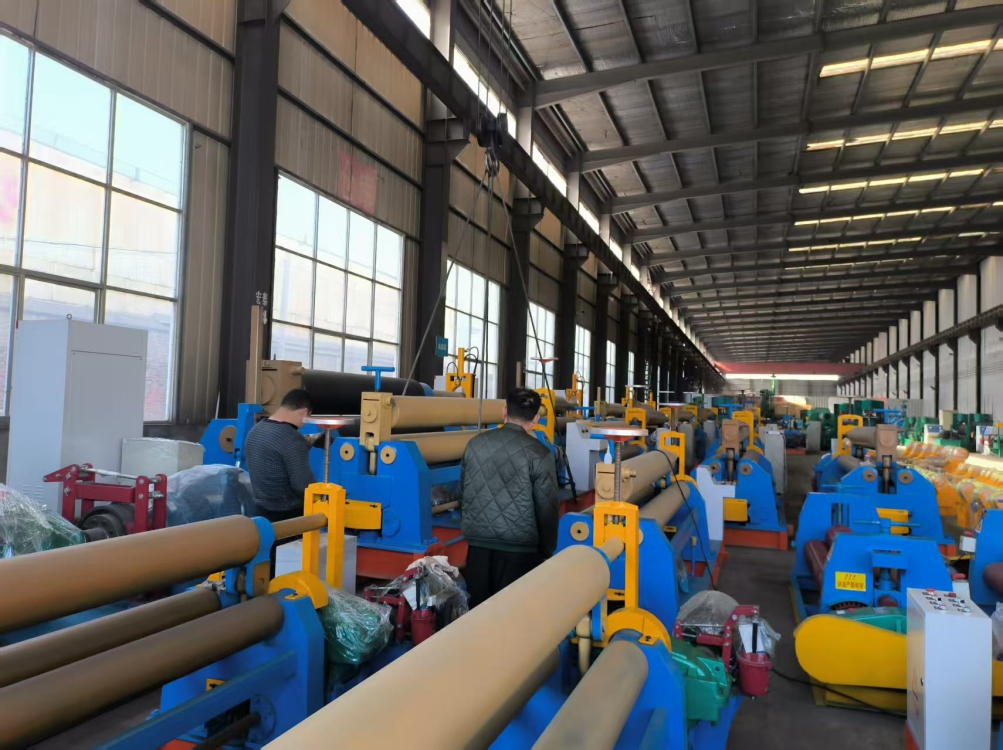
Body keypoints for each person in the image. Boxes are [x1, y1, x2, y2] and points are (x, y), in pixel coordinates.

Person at [459, 387, 559, 607]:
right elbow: (547, 508)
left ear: (504, 411)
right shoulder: (539, 453)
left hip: (478, 546)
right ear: (536, 418)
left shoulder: (475, 444)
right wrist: (546, 550)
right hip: (520, 551)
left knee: (478, 612)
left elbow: (463, 494)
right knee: (513, 611)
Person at [243, 388, 321, 523]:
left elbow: (276, 450)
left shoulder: (255, 431)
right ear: (304, 412)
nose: (304, 424)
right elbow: (303, 486)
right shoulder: (292, 438)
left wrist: (307, 441)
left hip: (261, 513)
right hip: (289, 516)